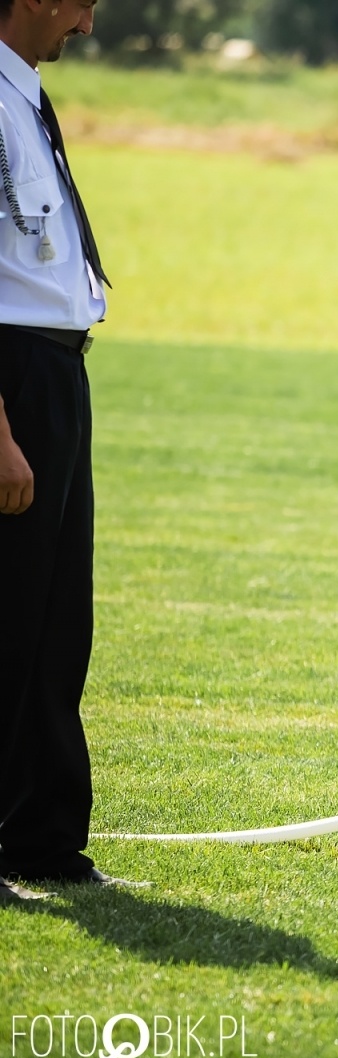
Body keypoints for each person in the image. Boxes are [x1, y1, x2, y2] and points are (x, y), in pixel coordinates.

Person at [0, 0, 141, 901]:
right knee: (6, 614)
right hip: (11, 380)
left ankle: (40, 835)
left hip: (55, 372)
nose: (88, 23)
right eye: (81, 2)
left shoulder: (25, 94)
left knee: (53, 619)